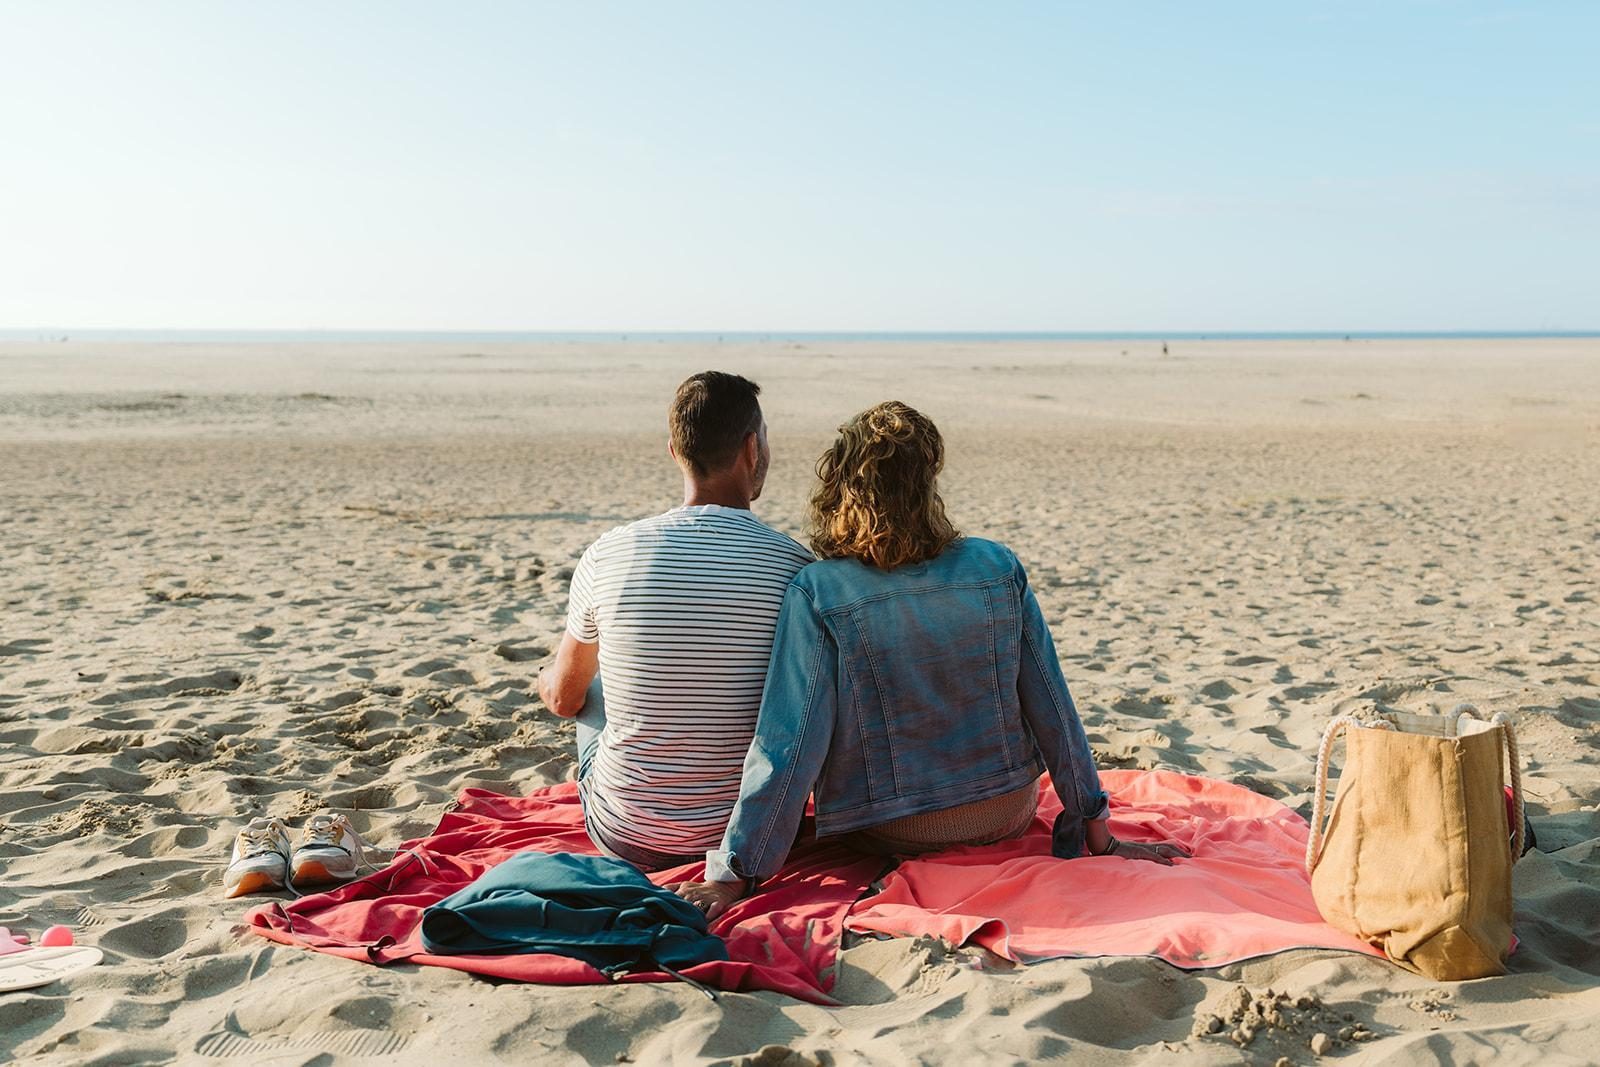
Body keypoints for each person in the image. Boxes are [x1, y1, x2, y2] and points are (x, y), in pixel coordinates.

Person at [679, 401, 1188, 917]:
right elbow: (1052, 706)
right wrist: (1097, 830)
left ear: (841, 484)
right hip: (1007, 809)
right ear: (928, 481)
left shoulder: (820, 589)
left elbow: (791, 739)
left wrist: (735, 873)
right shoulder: (996, 565)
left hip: (893, 825)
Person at [538, 371, 813, 870]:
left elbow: (563, 701)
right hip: (745, 835)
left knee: (590, 682)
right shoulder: (793, 566)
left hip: (624, 836)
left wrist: (544, 680)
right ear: (752, 448)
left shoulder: (611, 553)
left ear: (675, 452)